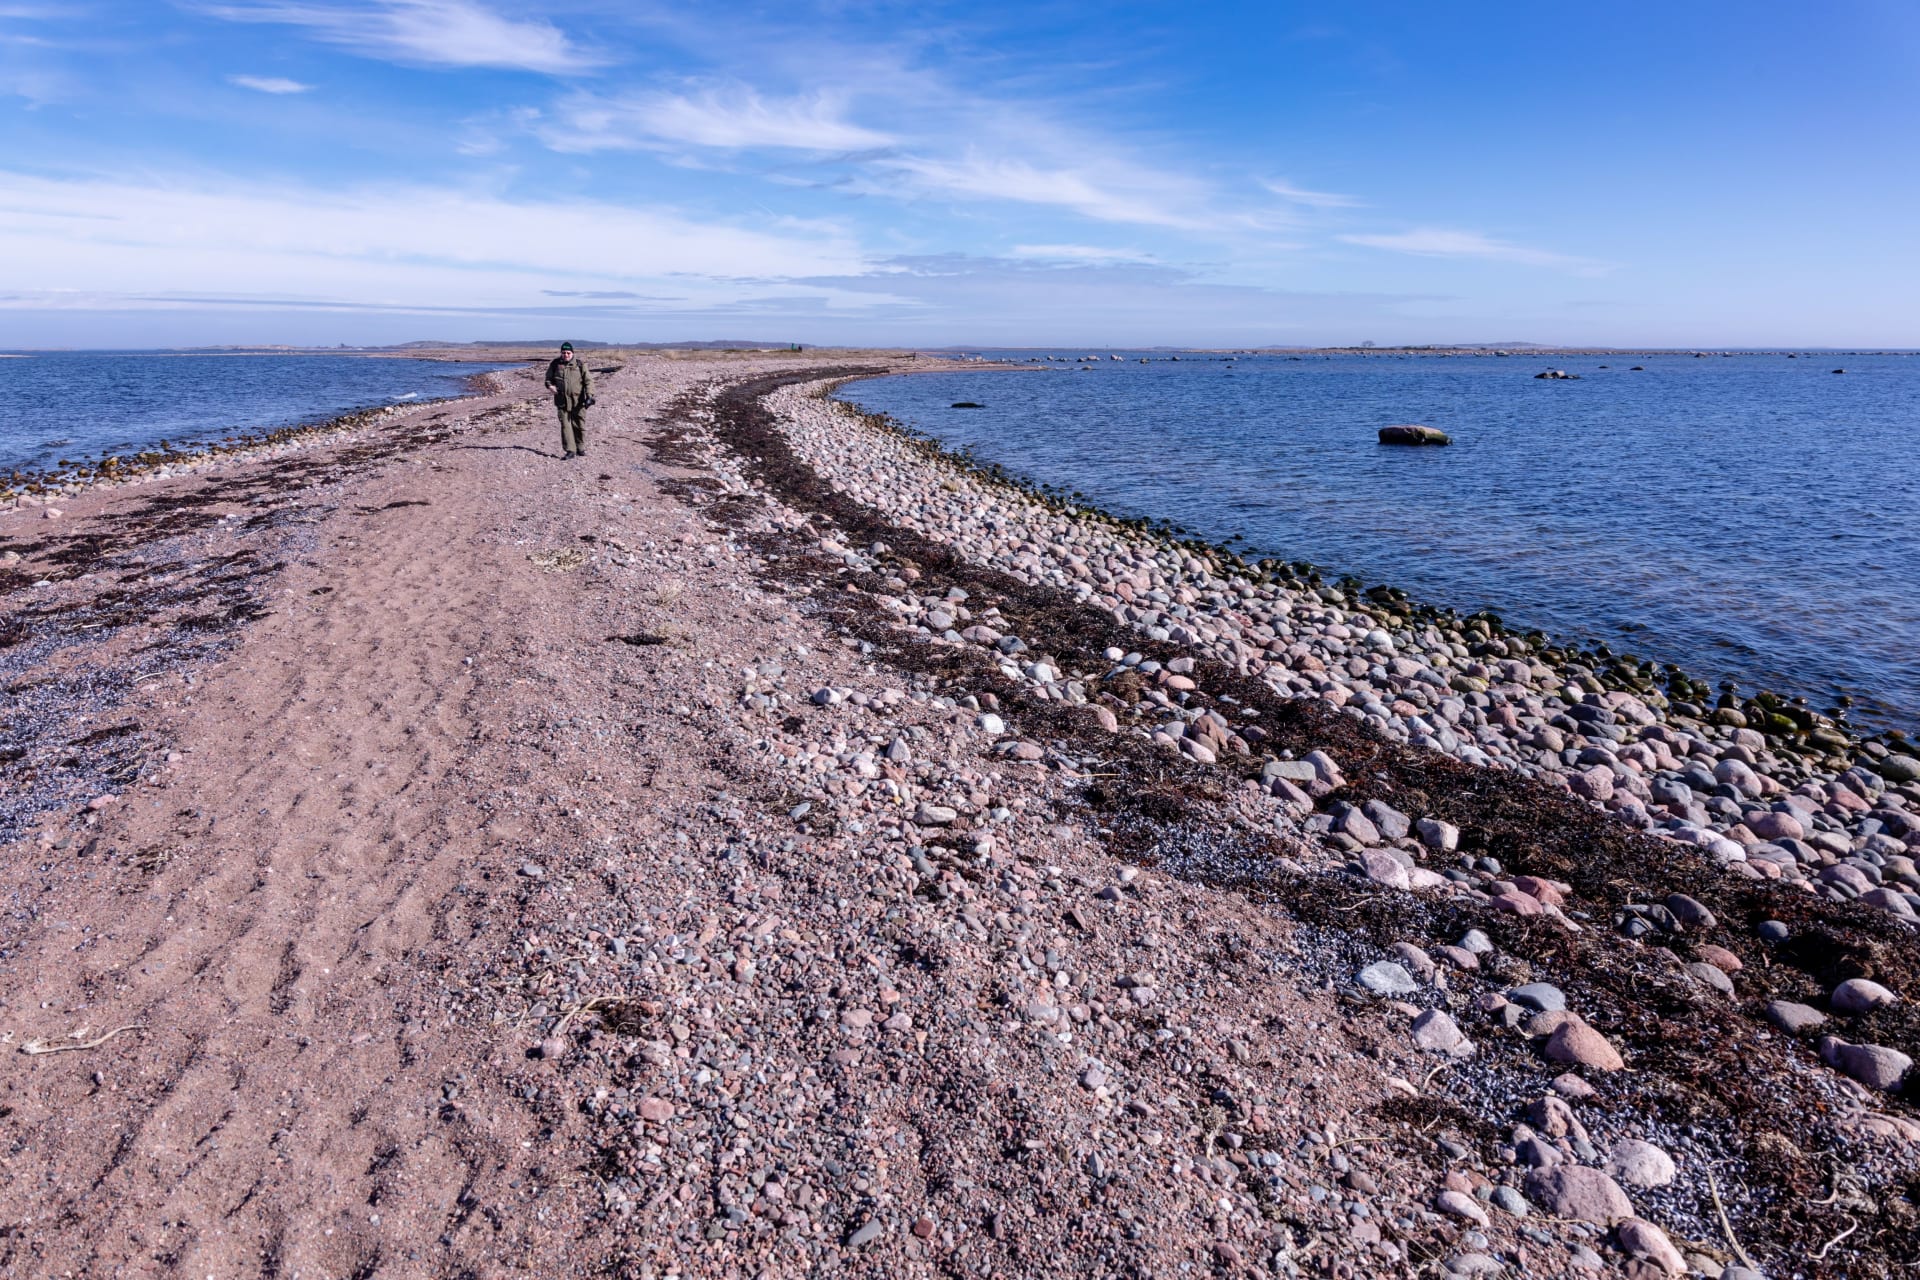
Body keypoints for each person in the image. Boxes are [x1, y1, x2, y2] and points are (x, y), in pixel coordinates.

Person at [544, 341, 595, 458]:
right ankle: (570, 451)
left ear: (572, 353)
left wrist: (589, 395)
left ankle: (580, 448)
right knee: (565, 426)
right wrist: (550, 386)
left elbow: (589, 381)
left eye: (568, 352)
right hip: (561, 400)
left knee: (579, 425)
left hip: (578, 401)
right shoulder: (555, 364)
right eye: (563, 352)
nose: (565, 355)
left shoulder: (580, 365)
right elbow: (548, 379)